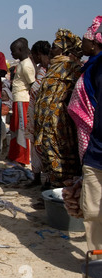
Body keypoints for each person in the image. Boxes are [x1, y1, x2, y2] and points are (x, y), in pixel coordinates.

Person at [63, 19, 102, 252]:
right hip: (94, 150)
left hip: (96, 148)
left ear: (94, 40)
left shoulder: (97, 68)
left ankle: (97, 271)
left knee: (95, 211)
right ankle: (97, 273)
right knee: (95, 211)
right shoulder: (92, 66)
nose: (82, 42)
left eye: (85, 39)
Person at [34, 29, 83, 188]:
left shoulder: (71, 66)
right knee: (48, 154)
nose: (51, 49)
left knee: (58, 155)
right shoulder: (54, 66)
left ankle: (60, 192)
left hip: (59, 123)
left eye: (55, 47)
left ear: (63, 50)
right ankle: (52, 189)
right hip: (46, 122)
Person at [68, 16, 102, 162]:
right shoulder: (89, 65)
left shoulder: (97, 66)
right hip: (84, 123)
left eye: (84, 42)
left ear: (93, 44)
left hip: (93, 124)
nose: (82, 45)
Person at [7, 38, 36, 166]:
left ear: (19, 50)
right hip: (17, 99)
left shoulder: (26, 65)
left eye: (13, 51)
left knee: (21, 129)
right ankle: (14, 154)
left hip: (22, 100)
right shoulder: (22, 63)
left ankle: (22, 158)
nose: (12, 54)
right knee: (15, 128)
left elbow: (32, 84)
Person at [26, 40, 51, 187]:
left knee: (45, 146)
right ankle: (36, 177)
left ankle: (47, 180)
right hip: (35, 113)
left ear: (37, 54)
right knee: (35, 146)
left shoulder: (51, 70)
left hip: (44, 115)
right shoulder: (41, 69)